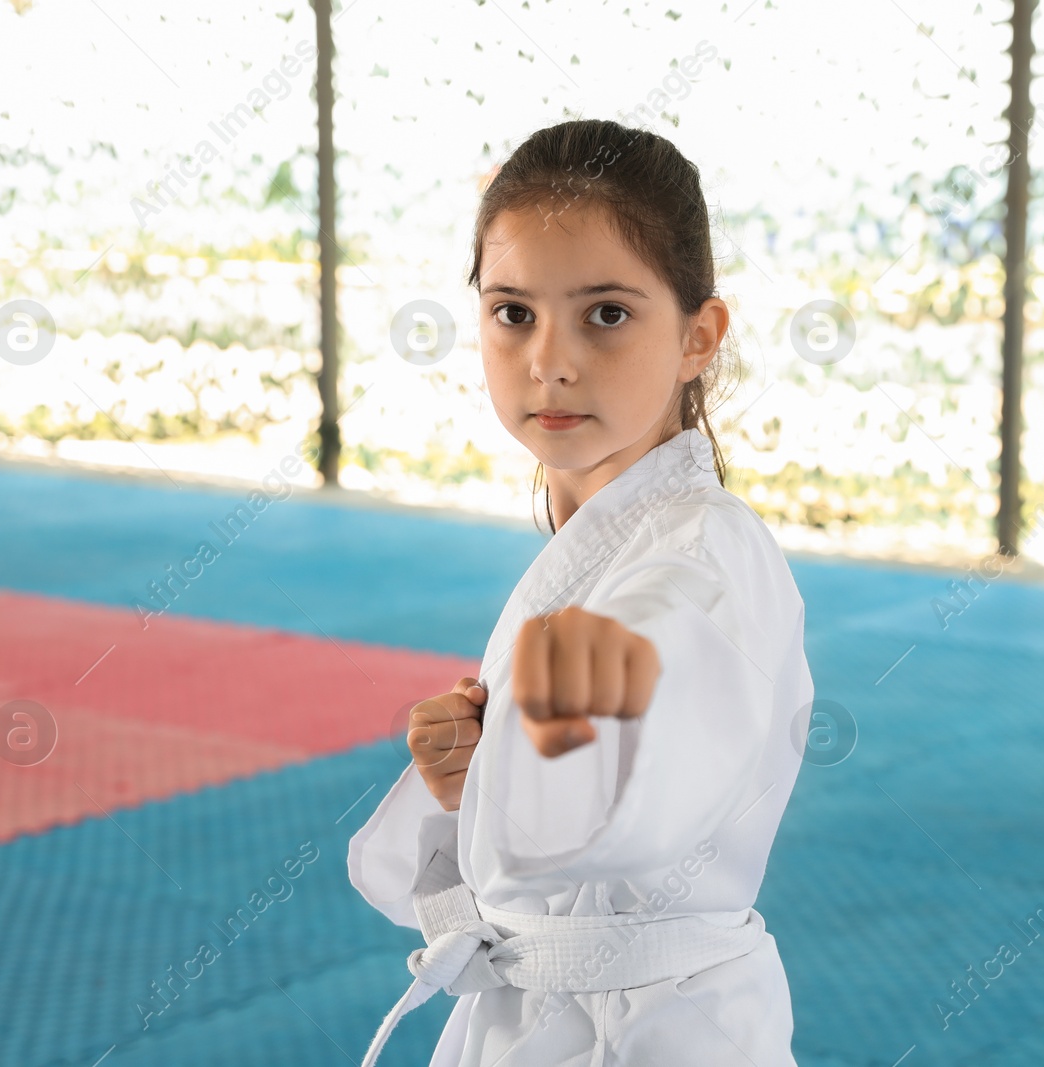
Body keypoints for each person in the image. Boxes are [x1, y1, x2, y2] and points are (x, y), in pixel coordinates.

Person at [348, 117, 814, 1067]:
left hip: (650, 1031)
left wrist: (539, 741)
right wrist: (477, 778)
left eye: (606, 313)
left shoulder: (703, 558)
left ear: (698, 336)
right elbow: (535, 833)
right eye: (513, 312)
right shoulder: (609, 546)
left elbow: (602, 801)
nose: (550, 359)